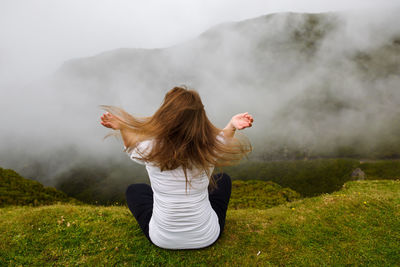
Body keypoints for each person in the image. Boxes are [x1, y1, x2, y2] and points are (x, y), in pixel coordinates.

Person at [100, 86, 253, 249]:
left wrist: (122, 127)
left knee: (135, 190)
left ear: (164, 115)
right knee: (223, 181)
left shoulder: (150, 150)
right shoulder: (209, 149)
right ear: (200, 117)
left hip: (162, 239)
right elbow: (224, 139)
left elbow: (130, 145)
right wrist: (232, 125)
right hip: (207, 236)